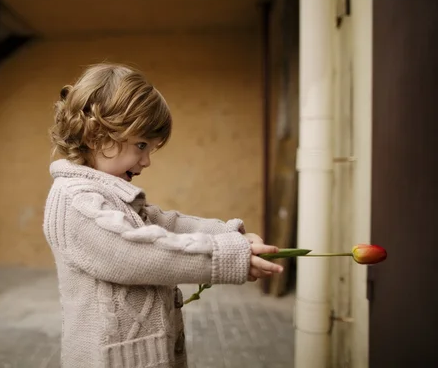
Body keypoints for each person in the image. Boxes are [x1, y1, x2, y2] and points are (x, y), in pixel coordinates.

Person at [43, 63, 283, 368]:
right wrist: (226, 258)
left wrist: (228, 235)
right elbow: (133, 250)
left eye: (151, 149)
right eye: (141, 145)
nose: (146, 160)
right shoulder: (75, 201)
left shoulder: (108, 194)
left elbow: (167, 223)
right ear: (96, 135)